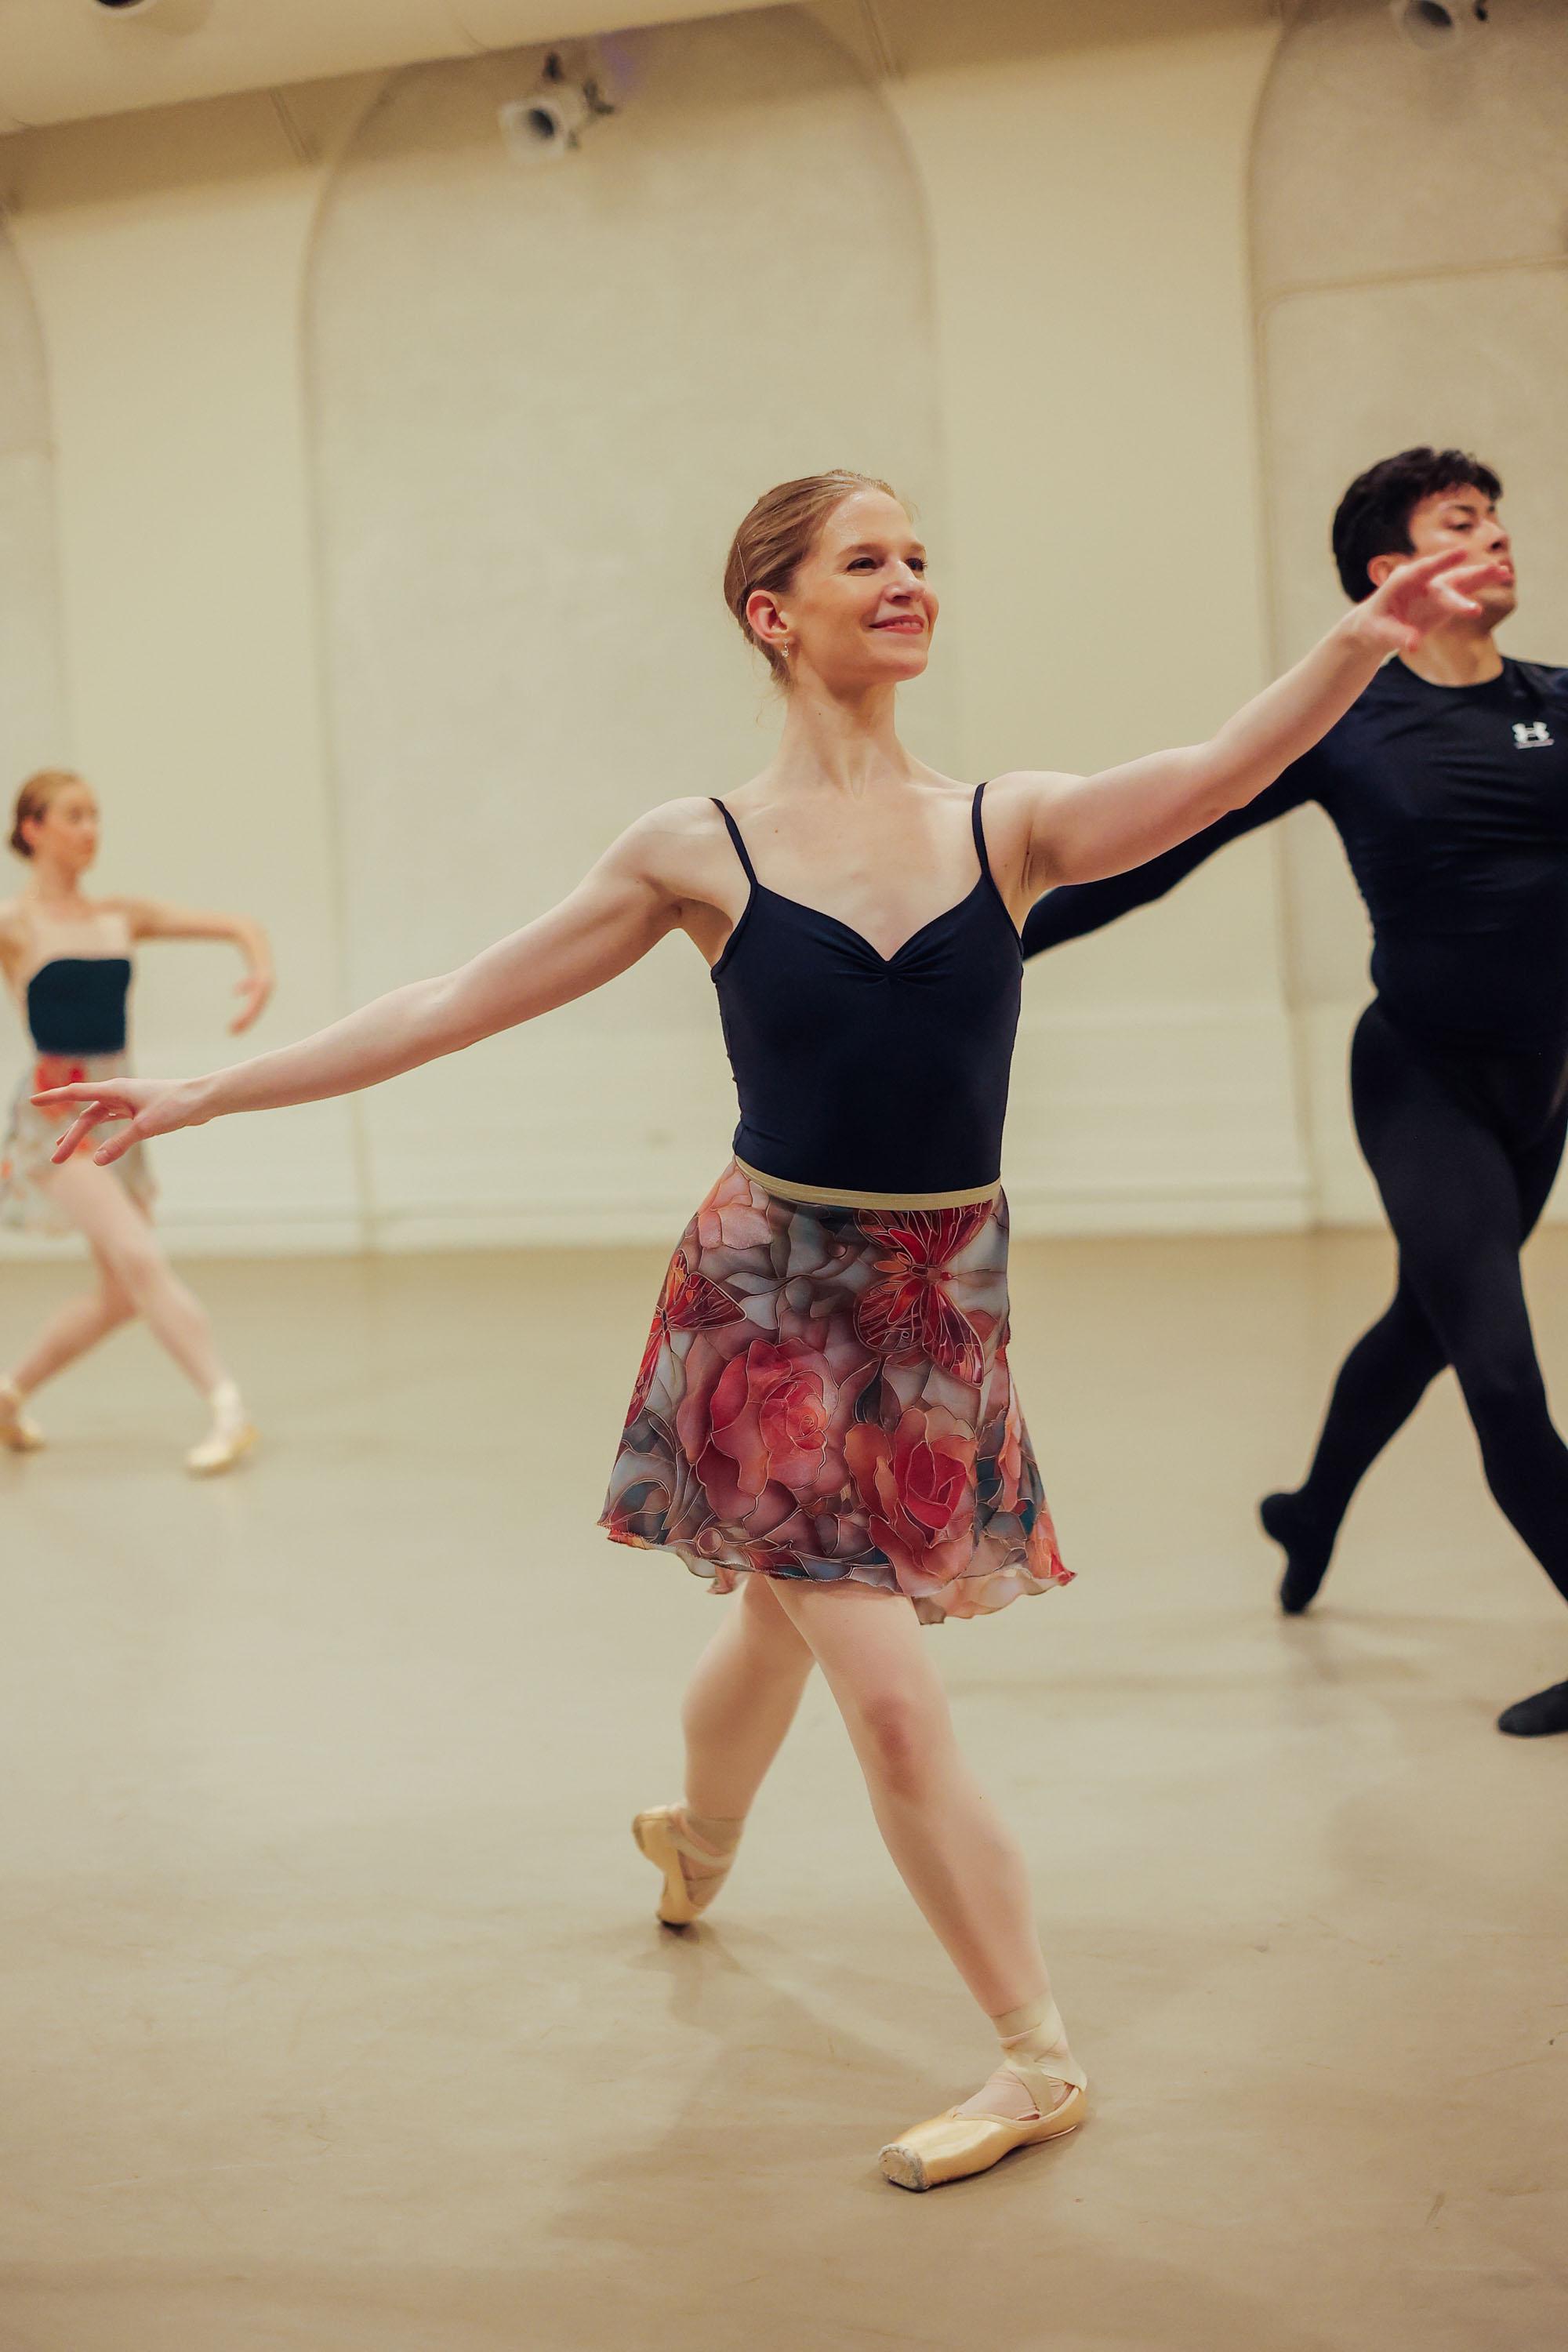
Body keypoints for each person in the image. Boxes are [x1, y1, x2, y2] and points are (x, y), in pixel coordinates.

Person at [34, 473, 1496, 2186]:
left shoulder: (1008, 825)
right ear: (771, 613)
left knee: (775, 1626)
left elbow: (1221, 773)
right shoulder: (696, 849)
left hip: (936, 1306)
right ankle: (1037, 2058)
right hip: (765, 1302)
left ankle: (696, 1834)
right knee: (889, 1698)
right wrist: (205, 1092)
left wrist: (1354, 646)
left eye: (921, 558)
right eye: (867, 560)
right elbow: (453, 1002)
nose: (909, 580)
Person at [1022, 448, 1568, 1741]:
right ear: (1392, 569)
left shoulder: (1557, 699)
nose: (1497, 536)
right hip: (1422, 1080)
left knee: (1424, 1325)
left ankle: (1309, 1511)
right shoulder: (1348, 722)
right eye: (1462, 522)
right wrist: (982, 943)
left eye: (1498, 519)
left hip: (1543, 1086)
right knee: (1500, 1374)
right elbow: (1162, 855)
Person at [1, 768, 269, 1473]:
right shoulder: (16, 924)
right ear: (33, 829)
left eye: (95, 815)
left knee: (122, 1295)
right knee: (143, 1259)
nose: (90, 829)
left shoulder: (121, 915)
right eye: (73, 816)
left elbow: (239, 925)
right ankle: (228, 1407)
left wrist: (259, 973)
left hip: (121, 1111)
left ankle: (8, 1394)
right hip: (58, 1121)